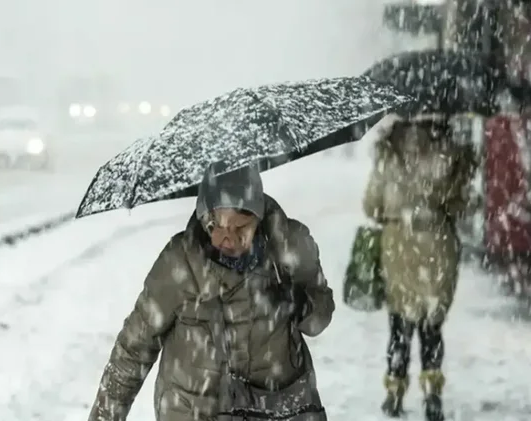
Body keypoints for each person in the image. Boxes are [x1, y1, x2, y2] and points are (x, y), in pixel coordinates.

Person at [87, 162, 335, 421]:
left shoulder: (290, 245)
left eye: (240, 228)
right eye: (215, 226)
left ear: (258, 218)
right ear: (204, 219)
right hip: (196, 411)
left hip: (277, 408)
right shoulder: (179, 262)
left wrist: (299, 302)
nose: (227, 239)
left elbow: (319, 320)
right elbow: (134, 348)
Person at [362, 116, 474, 421]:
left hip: (398, 247)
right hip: (438, 246)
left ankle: (394, 394)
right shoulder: (449, 152)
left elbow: (371, 205)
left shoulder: (388, 153)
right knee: (431, 325)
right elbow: (461, 205)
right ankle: (432, 394)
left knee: (399, 326)